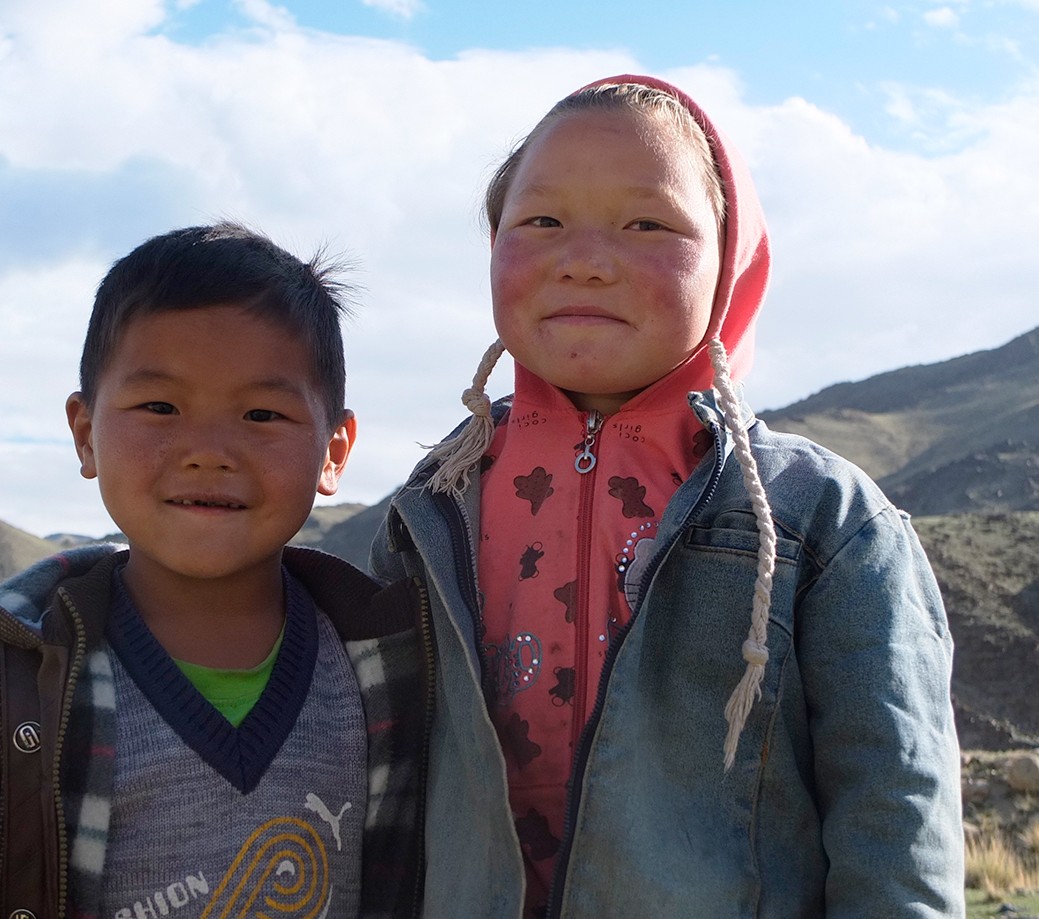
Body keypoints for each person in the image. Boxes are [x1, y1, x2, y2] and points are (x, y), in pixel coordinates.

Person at [371, 76, 964, 917]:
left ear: (731, 265)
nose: (583, 257)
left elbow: (894, 817)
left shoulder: (821, 521)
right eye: (540, 221)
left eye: (648, 223)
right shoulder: (432, 509)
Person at [0, 223, 432, 919]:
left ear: (334, 449)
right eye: (160, 406)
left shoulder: (392, 668)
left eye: (261, 413)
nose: (209, 450)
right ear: (86, 431)